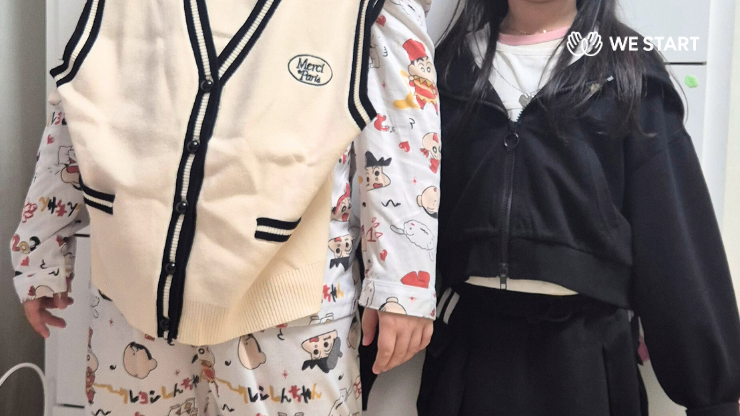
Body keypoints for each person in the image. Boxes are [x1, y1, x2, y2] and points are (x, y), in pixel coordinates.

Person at [10, 0, 440, 414]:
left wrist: (403, 284)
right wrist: (40, 247)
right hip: (133, 295)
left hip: (290, 305)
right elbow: (82, 101)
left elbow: (402, 125)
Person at [418, 0, 740, 415]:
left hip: (587, 359)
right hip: (469, 354)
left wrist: (713, 395)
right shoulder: (449, 68)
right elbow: (406, 211)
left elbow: (673, 237)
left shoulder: (627, 69)